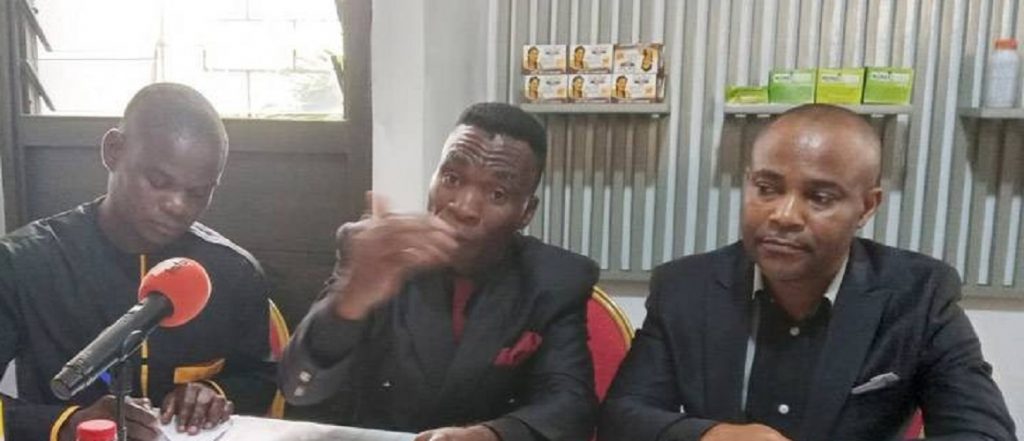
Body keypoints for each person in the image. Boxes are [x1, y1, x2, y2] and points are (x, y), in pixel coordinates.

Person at [598, 104, 1017, 441]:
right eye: (767, 188)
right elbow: (623, 417)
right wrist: (712, 434)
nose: (784, 215)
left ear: (867, 206)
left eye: (820, 197)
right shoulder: (685, 287)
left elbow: (983, 430)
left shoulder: (918, 294)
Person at [279, 102, 598, 441]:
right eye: (452, 178)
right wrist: (350, 298)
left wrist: (490, 435)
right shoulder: (379, 251)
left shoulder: (554, 279)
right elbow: (298, 391)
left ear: (526, 212)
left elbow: (570, 406)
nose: (464, 207)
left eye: (497, 193)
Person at [0, 83, 276, 441]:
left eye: (197, 193)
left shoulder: (233, 272)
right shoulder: (24, 263)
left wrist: (213, 394)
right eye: (159, 182)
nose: (177, 205)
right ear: (113, 150)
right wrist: (67, 422)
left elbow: (260, 378)